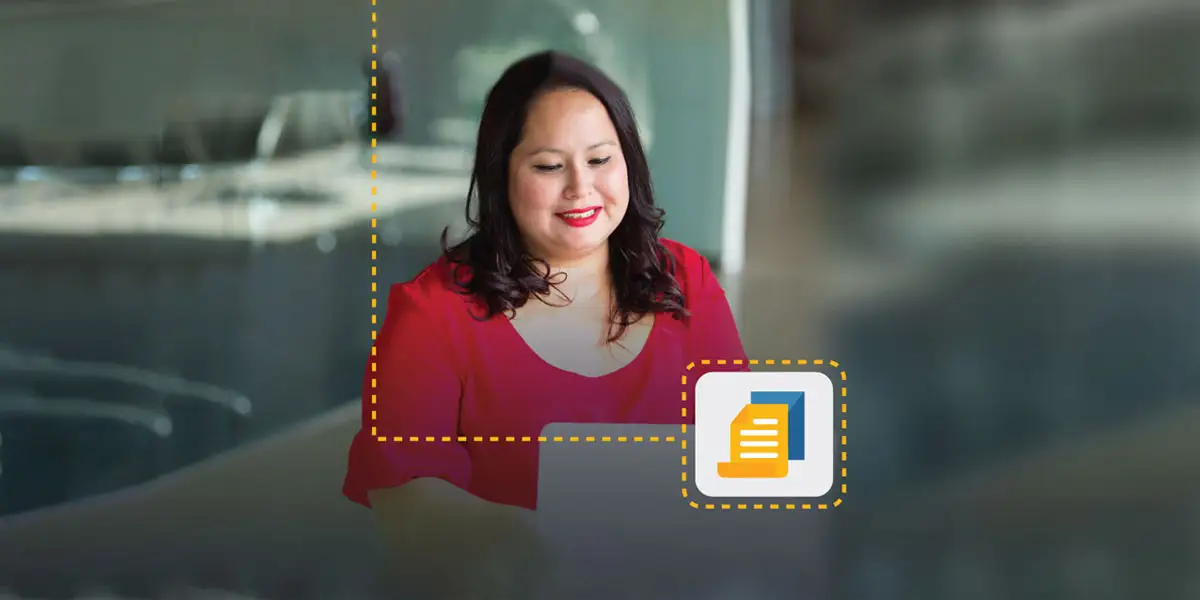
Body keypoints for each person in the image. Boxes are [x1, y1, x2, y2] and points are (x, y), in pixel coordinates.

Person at [342, 50, 748, 598]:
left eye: (600, 159)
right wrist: (523, 541)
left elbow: (741, 453)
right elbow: (403, 496)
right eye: (549, 166)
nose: (580, 187)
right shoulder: (432, 312)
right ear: (501, 175)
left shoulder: (685, 279)